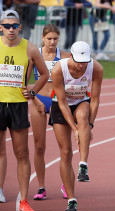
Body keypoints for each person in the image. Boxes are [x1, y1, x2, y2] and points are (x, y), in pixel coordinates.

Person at [0, 10, 49, 211]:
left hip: (18, 105)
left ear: (20, 27)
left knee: (22, 153)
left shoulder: (30, 48)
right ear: (1, 28)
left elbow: (45, 73)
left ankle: (24, 200)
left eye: (14, 25)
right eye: (7, 26)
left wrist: (33, 90)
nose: (11, 29)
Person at [50, 41, 103, 211]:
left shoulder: (96, 68)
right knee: (65, 152)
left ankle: (83, 165)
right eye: (78, 61)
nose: (81, 66)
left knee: (83, 117)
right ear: (70, 56)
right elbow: (63, 102)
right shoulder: (59, 69)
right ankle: (72, 200)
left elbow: (94, 99)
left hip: (81, 102)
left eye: (85, 61)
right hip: (61, 106)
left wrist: (90, 124)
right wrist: (74, 129)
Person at [27, 24, 70, 201]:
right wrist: (35, 100)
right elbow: (24, 81)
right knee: (39, 146)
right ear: (43, 38)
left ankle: (66, 183)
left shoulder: (65, 56)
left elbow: (70, 82)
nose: (52, 42)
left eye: (55, 39)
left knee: (64, 148)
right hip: (39, 100)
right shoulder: (34, 55)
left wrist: (60, 101)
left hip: (57, 101)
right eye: (49, 39)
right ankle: (41, 187)